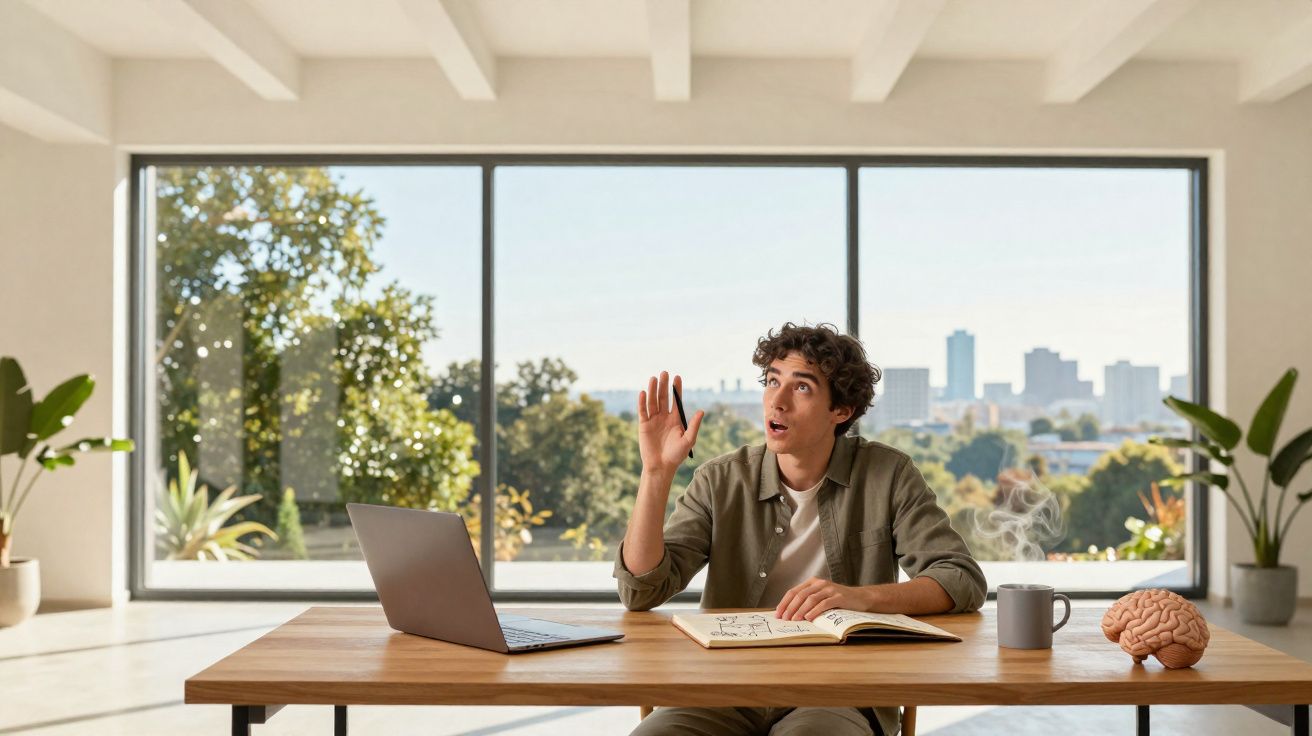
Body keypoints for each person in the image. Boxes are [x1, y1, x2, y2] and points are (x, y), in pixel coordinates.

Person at [614, 322, 987, 736]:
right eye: (773, 381)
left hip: (838, 692)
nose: (778, 400)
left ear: (841, 410)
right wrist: (656, 473)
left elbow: (961, 579)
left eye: (802, 387)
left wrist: (859, 599)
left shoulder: (888, 474)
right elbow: (641, 590)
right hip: (724, 686)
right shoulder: (720, 479)